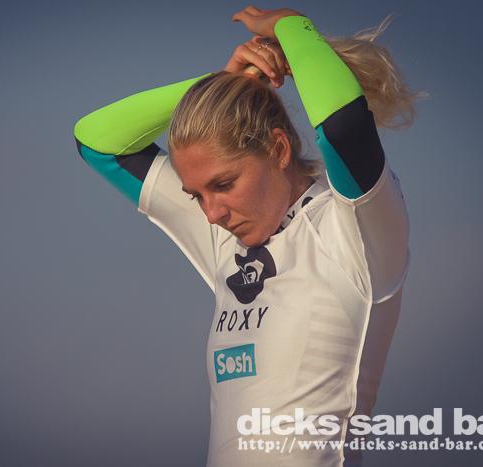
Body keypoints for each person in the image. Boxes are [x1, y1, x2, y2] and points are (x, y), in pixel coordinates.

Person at [73, 6, 418, 466]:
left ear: (278, 149)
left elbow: (344, 128)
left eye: (223, 184)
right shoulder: (226, 232)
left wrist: (289, 27)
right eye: (196, 195)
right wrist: (220, 85)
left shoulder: (352, 229)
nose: (211, 213)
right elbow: (97, 142)